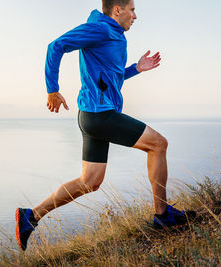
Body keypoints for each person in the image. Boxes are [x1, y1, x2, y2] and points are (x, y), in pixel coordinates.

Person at [15, 0, 195, 251]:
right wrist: (52, 89)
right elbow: (55, 46)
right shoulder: (99, 30)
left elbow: (110, 74)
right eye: (131, 10)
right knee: (158, 144)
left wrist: (136, 68)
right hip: (99, 115)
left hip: (93, 115)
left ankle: (30, 216)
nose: (136, 15)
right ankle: (163, 215)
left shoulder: (114, 34)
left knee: (90, 181)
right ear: (117, 10)